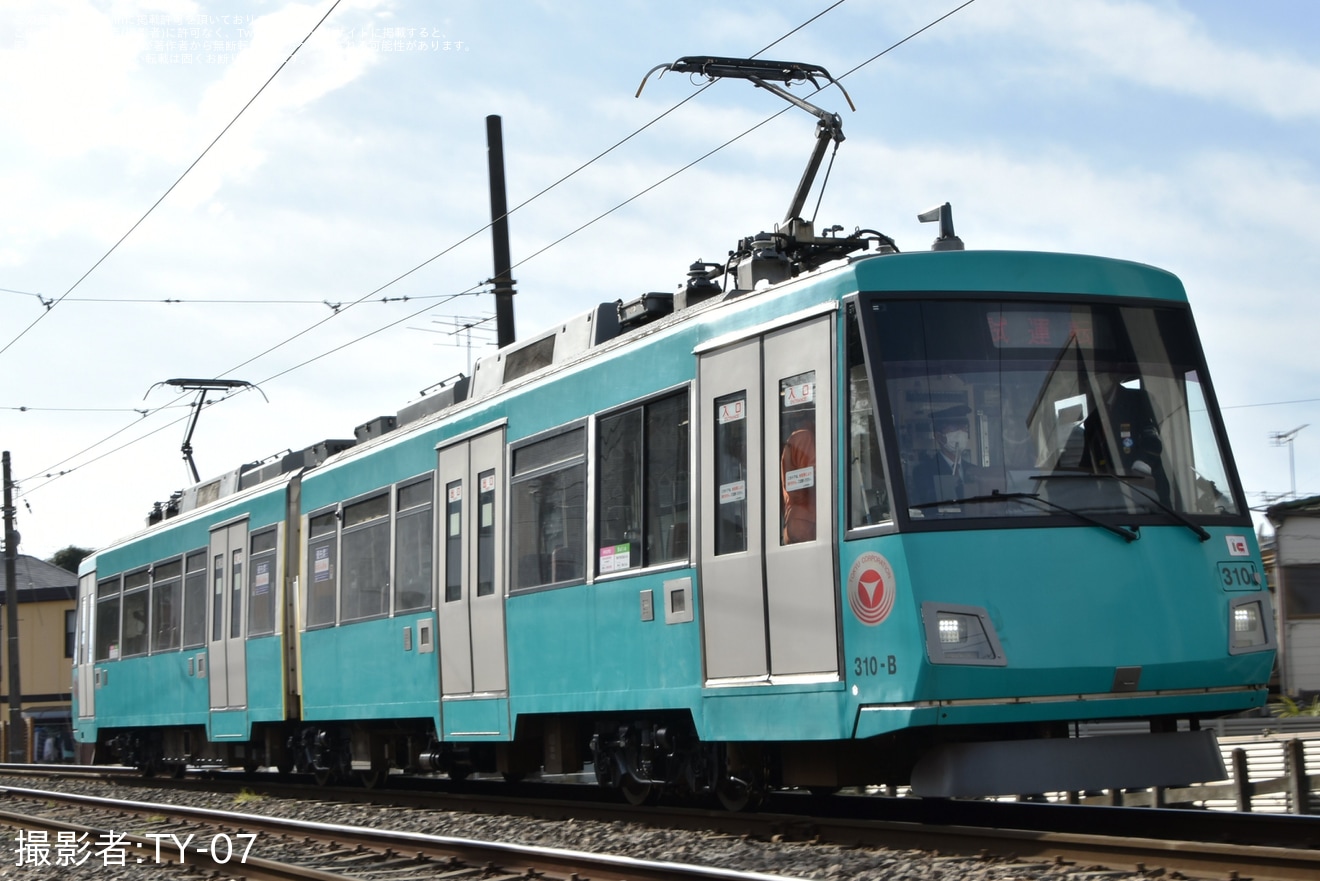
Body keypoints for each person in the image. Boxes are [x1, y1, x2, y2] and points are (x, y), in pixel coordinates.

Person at [911, 404, 979, 505]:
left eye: (963, 427)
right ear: (938, 436)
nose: (961, 432)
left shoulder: (976, 471)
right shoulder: (923, 472)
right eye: (955, 428)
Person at [780, 415, 816, 543]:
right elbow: (814, 477)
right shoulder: (804, 436)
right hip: (806, 520)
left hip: (795, 521)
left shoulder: (792, 441)